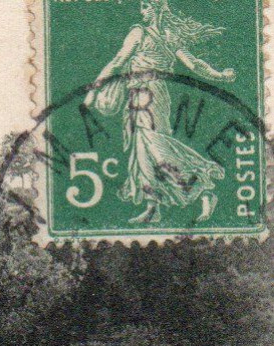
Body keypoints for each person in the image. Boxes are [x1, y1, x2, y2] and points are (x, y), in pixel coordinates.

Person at [83, 0, 235, 226]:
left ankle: (202, 191)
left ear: (158, 8)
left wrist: (219, 75)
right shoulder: (162, 34)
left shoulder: (143, 33)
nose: (142, 11)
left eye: (145, 6)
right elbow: (119, 63)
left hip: (150, 95)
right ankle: (153, 207)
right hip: (140, 95)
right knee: (142, 149)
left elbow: (192, 64)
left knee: (154, 145)